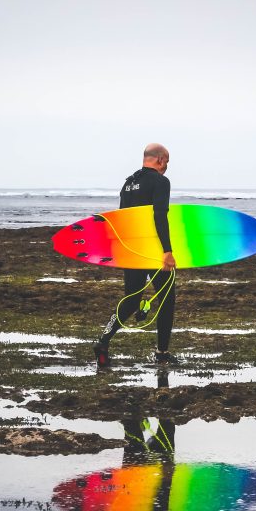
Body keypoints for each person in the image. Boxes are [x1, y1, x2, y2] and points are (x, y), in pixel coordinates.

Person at [94, 143, 179, 369]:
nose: (167, 166)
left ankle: (103, 341)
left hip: (131, 250)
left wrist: (121, 251)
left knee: (131, 299)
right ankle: (162, 353)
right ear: (160, 159)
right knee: (167, 299)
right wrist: (167, 251)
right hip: (152, 250)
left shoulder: (128, 183)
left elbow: (122, 221)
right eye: (167, 161)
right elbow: (160, 216)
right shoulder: (161, 182)